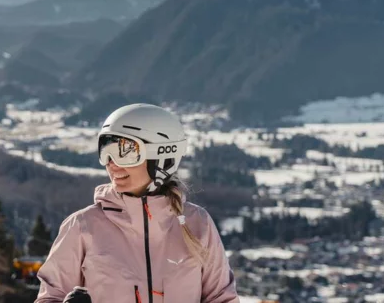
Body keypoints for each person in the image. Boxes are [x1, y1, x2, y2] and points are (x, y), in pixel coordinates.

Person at [35, 103, 239, 303]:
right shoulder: (83, 226)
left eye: (126, 152)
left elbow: (222, 298)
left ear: (162, 157)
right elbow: (49, 297)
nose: (112, 164)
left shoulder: (197, 224)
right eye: (106, 152)